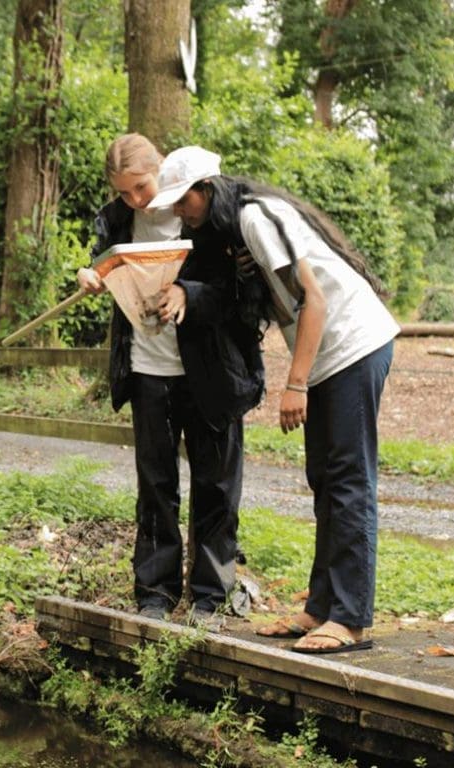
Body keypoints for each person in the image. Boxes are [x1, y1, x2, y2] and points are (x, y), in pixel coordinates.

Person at [149, 146, 398, 653]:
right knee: (325, 478)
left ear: (206, 189)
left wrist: (295, 383)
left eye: (183, 201)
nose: (180, 211)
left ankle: (350, 620)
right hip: (332, 353)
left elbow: (314, 299)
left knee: (349, 478)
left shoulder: (255, 217)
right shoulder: (235, 231)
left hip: (354, 342)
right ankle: (320, 609)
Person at [78, 135, 264, 629]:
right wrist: (92, 274)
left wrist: (189, 294)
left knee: (216, 485)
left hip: (210, 371)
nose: (136, 200)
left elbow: (241, 295)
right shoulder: (118, 220)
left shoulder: (210, 211)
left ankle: (211, 593)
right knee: (155, 485)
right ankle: (155, 592)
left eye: (141, 186)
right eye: (125, 193)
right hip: (148, 369)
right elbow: (102, 263)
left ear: (161, 168)